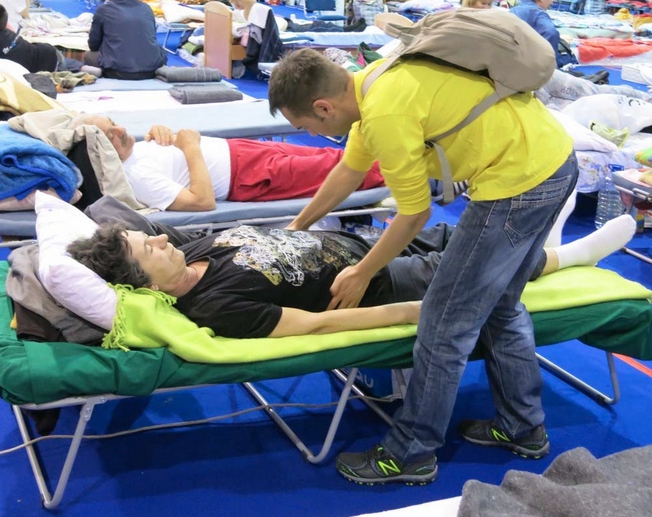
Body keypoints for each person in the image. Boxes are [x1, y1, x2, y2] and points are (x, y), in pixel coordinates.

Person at [267, 48, 579, 484]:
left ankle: (410, 453)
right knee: (501, 305)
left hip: (518, 181)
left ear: (323, 107)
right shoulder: (371, 83)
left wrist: (362, 271)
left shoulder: (384, 114)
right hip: (553, 162)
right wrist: (300, 223)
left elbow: (414, 217)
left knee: (443, 323)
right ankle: (522, 426)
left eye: (307, 128)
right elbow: (349, 171)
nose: (314, 135)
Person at [67, 195, 635, 341]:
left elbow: (120, 216)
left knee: (460, 229)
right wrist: (414, 310)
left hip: (359, 244)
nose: (156, 239)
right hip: (383, 283)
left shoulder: (189, 253)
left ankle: (546, 240)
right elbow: (317, 325)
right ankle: (572, 254)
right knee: (471, 260)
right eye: (147, 249)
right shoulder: (215, 306)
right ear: (140, 282)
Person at [73, 114, 385, 212]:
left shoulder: (135, 151)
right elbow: (203, 202)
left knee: (336, 157)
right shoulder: (135, 178)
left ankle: (402, 154)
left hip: (243, 151)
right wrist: (191, 147)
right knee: (351, 171)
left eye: (115, 123)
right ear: (99, 150)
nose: (123, 130)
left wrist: (164, 133)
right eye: (111, 134)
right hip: (249, 176)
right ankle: (418, 171)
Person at [83, 0, 167, 80]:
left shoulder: (103, 9)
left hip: (116, 71)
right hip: (151, 70)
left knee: (88, 55)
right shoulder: (146, 8)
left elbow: (93, 45)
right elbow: (151, 38)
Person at [0, 4, 84, 73]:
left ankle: (85, 68)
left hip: (48, 63)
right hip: (48, 54)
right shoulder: (7, 31)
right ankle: (85, 68)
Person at [509, 0, 568, 68]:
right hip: (531, 67)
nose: (552, 2)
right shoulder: (538, 13)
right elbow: (551, 33)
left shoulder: (513, 10)